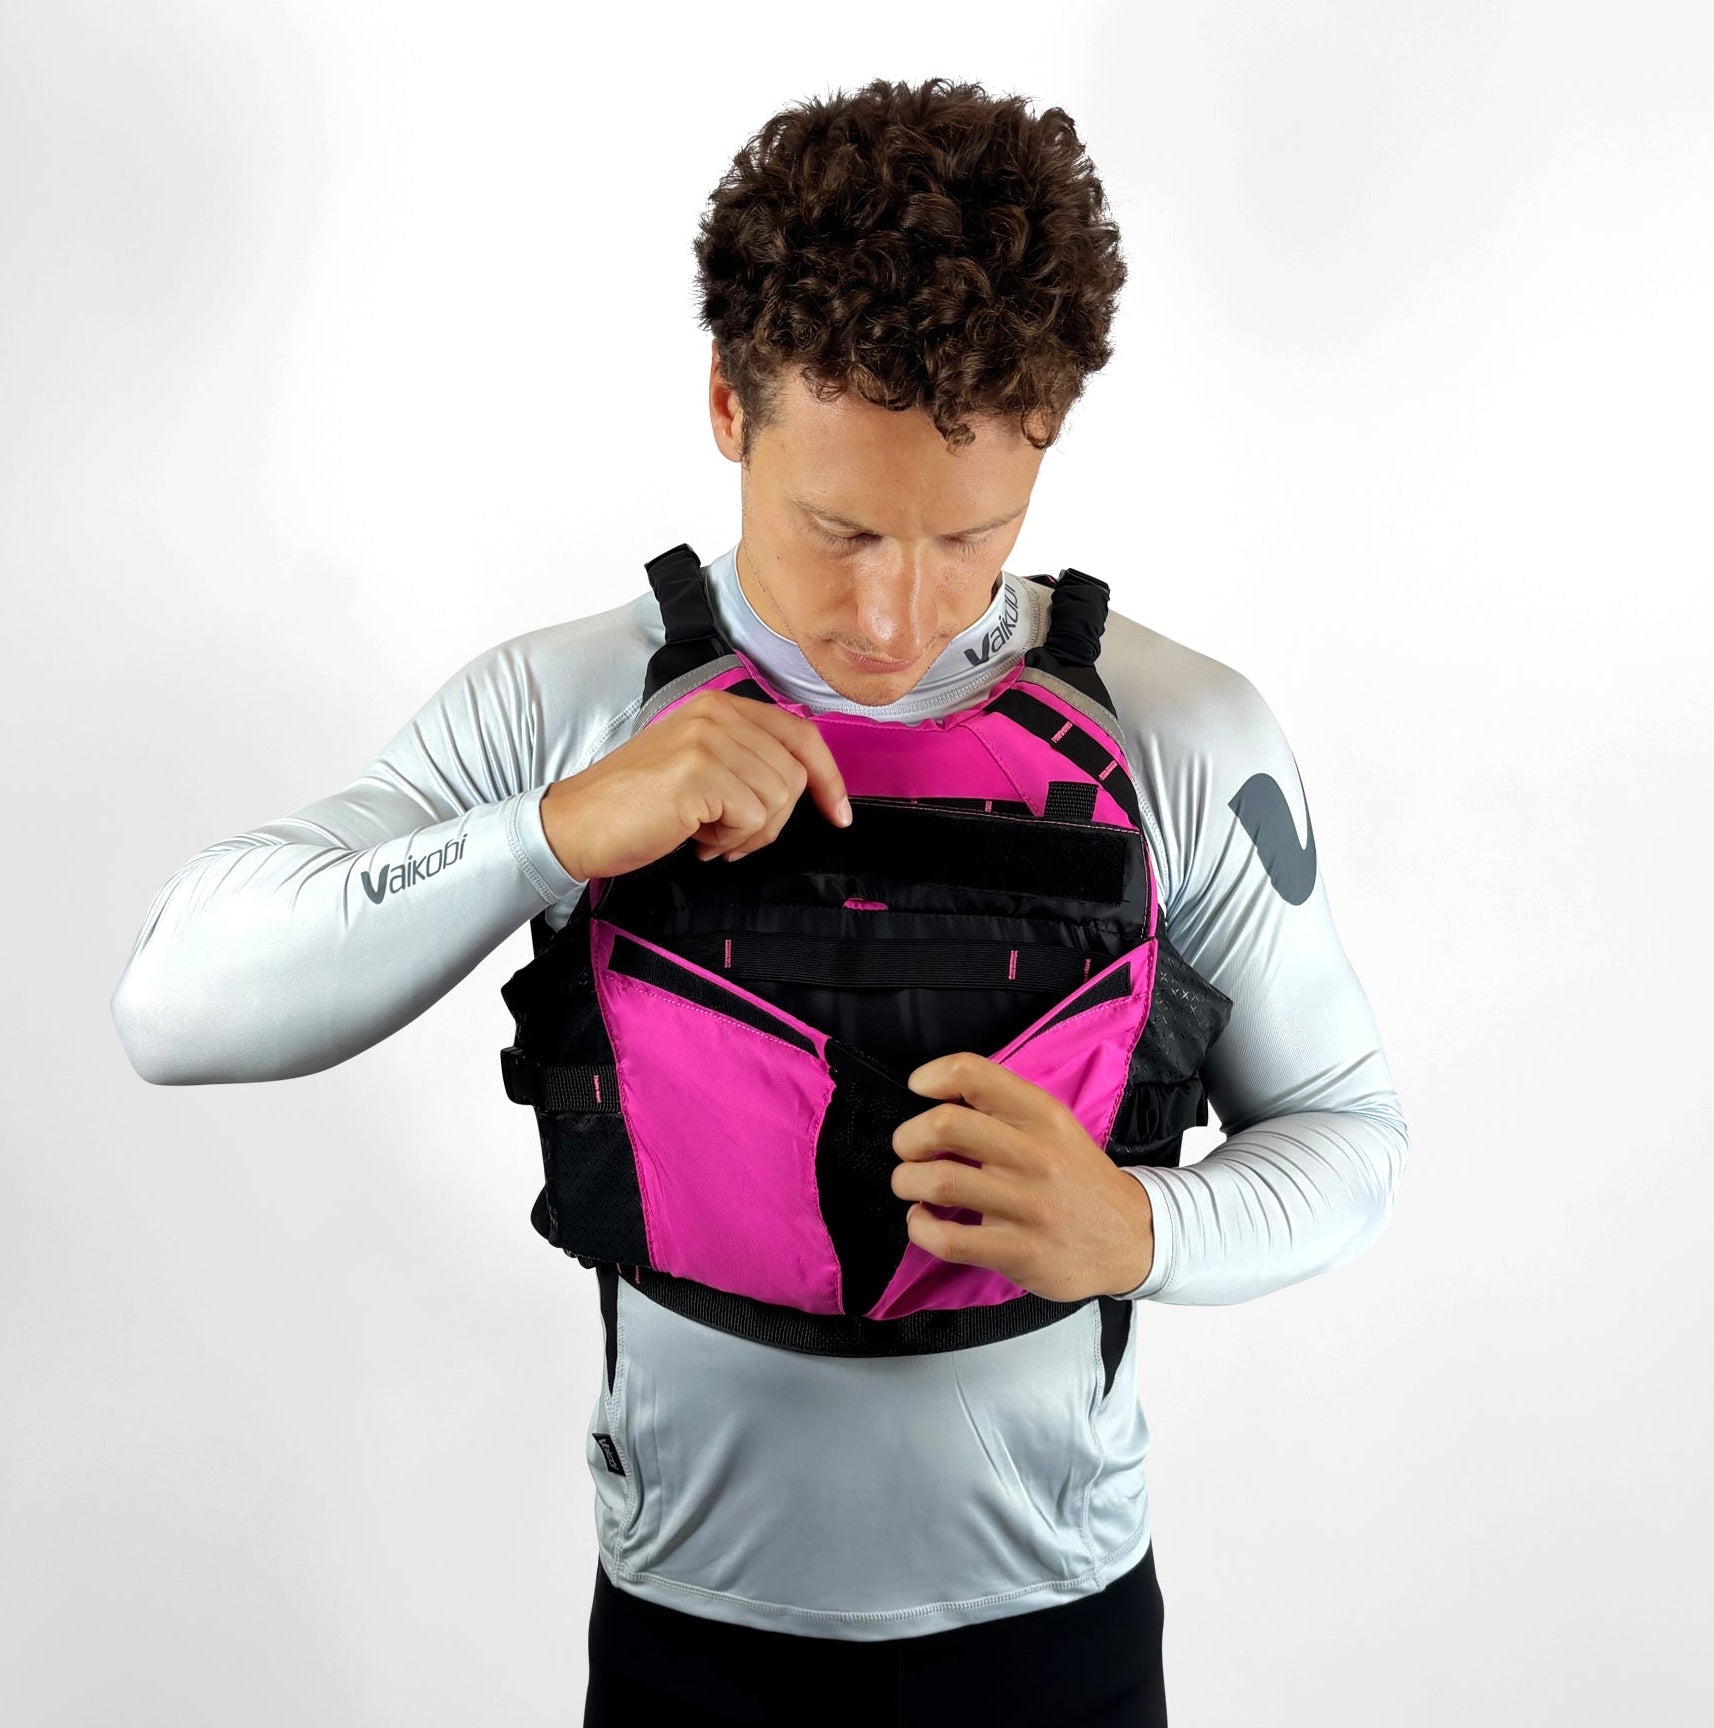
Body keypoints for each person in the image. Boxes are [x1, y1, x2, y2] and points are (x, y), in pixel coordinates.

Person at [112, 77, 1409, 1728]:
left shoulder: (1182, 732)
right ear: (729, 403)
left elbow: (1351, 1130)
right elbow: (173, 1004)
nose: (895, 616)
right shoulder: (569, 707)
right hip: (689, 1645)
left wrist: (1143, 1230)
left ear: (1047, 436)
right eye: (838, 529)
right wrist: (552, 833)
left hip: (1057, 1639)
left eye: (972, 537)